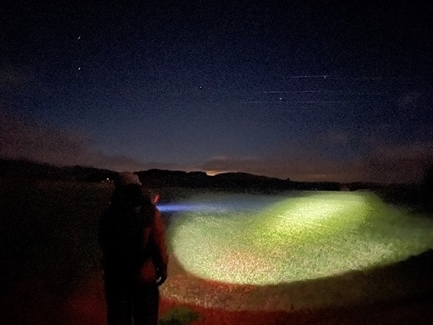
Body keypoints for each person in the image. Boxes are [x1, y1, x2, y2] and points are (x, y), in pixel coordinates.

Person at [98, 172, 168, 325]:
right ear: (138, 187)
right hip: (143, 275)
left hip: (116, 276)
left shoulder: (108, 213)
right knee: (146, 319)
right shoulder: (149, 211)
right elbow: (159, 242)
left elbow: (104, 243)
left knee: (118, 319)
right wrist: (162, 268)